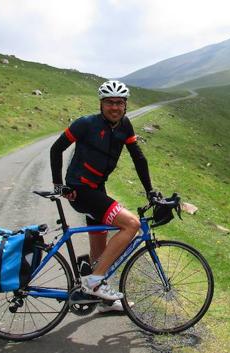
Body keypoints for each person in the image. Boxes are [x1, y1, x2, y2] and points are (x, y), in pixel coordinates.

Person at [50, 80, 157, 313]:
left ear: (125, 105)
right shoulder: (85, 124)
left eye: (119, 103)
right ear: (101, 104)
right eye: (110, 102)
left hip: (97, 189)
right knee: (131, 224)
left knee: (99, 248)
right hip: (81, 189)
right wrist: (59, 186)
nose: (115, 107)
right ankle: (93, 281)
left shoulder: (125, 126)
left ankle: (103, 301)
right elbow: (56, 149)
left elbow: (139, 158)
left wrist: (150, 191)